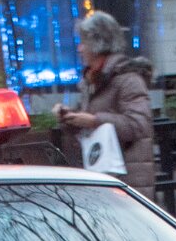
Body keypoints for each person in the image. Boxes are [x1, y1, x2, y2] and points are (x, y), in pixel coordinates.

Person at [55, 11, 156, 200]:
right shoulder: (93, 81)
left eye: (83, 42)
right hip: (105, 180)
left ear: (98, 44)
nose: (79, 48)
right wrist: (70, 118)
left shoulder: (128, 80)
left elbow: (138, 125)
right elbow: (87, 126)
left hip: (127, 183)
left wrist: (94, 120)